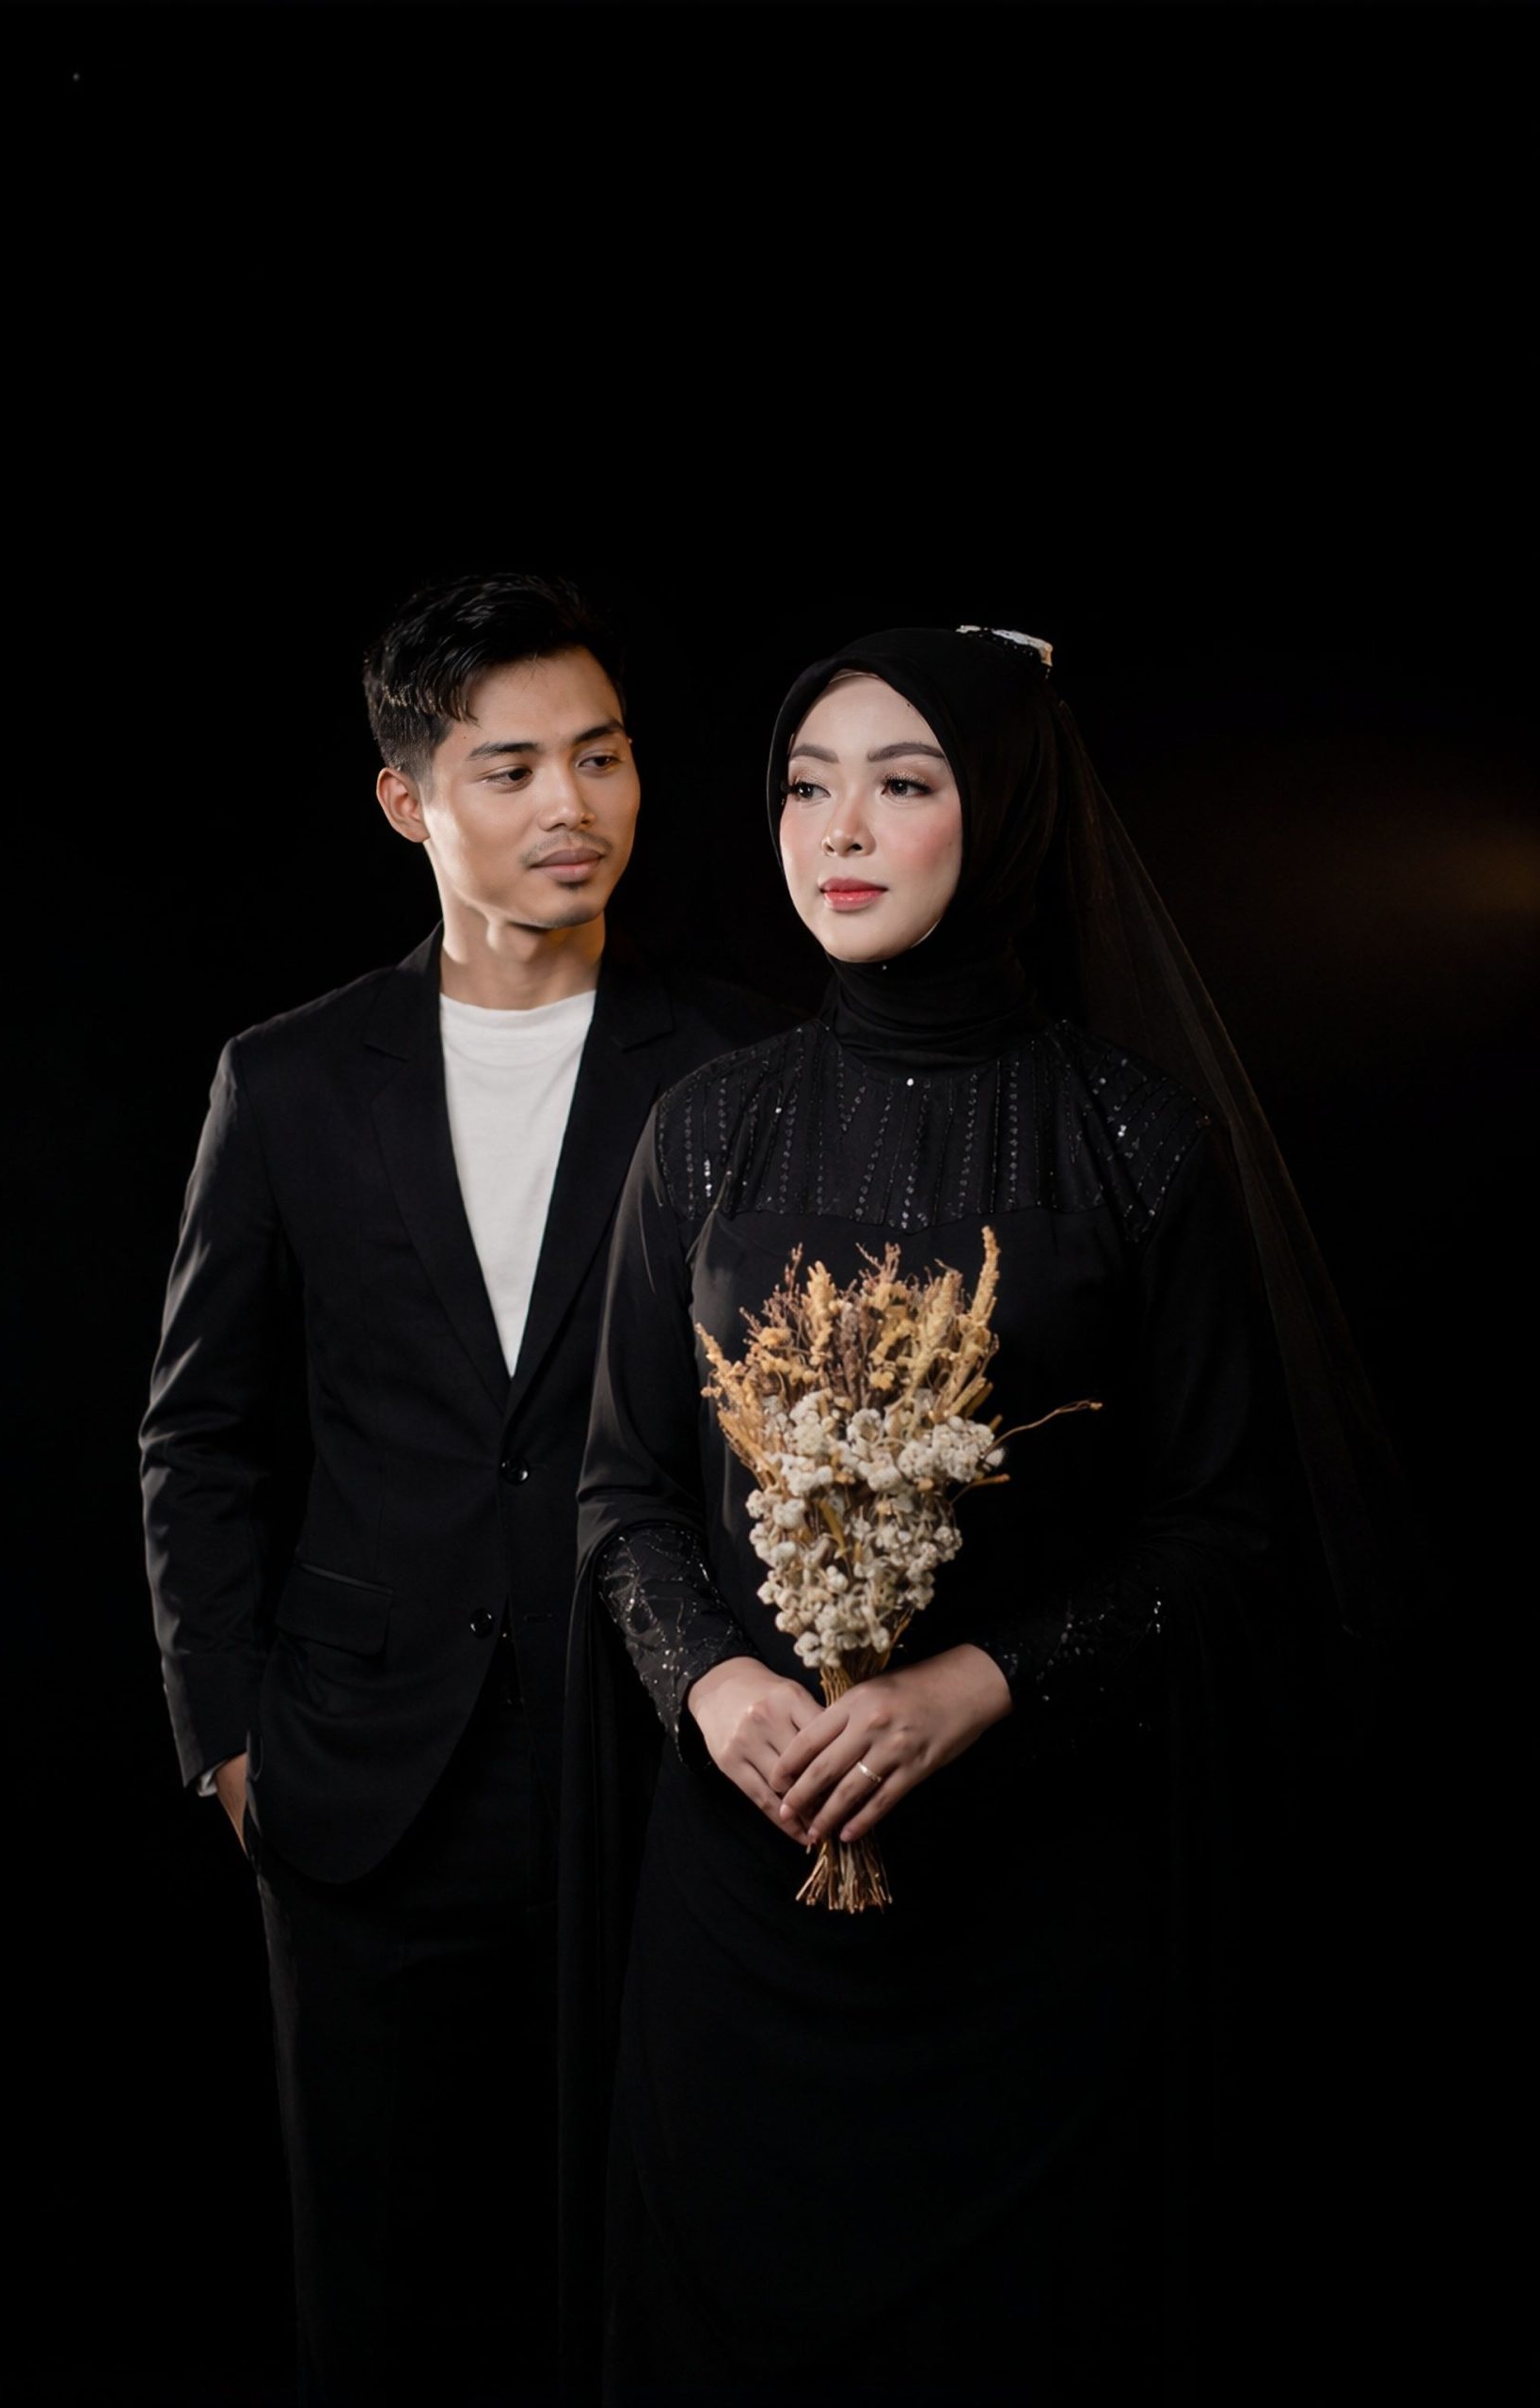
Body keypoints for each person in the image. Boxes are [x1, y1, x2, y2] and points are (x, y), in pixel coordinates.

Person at [566, 626, 1398, 2404]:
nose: (840, 830)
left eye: (905, 782)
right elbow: (624, 1488)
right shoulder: (704, 1131)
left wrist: (980, 1683)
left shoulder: (1133, 1139)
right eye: (807, 786)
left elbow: (1227, 1531)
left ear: (1007, 811)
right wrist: (715, 1682)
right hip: (744, 1906)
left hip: (1039, 1928)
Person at [140, 572, 789, 2407]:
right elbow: (199, 1432)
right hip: (361, 1770)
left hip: (656, 1762)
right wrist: (228, 1736)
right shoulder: (284, 1077)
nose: (571, 804)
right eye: (510, 767)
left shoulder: (741, 1066)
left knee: (651, 2261)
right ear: (407, 798)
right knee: (382, 2289)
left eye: (602, 754)